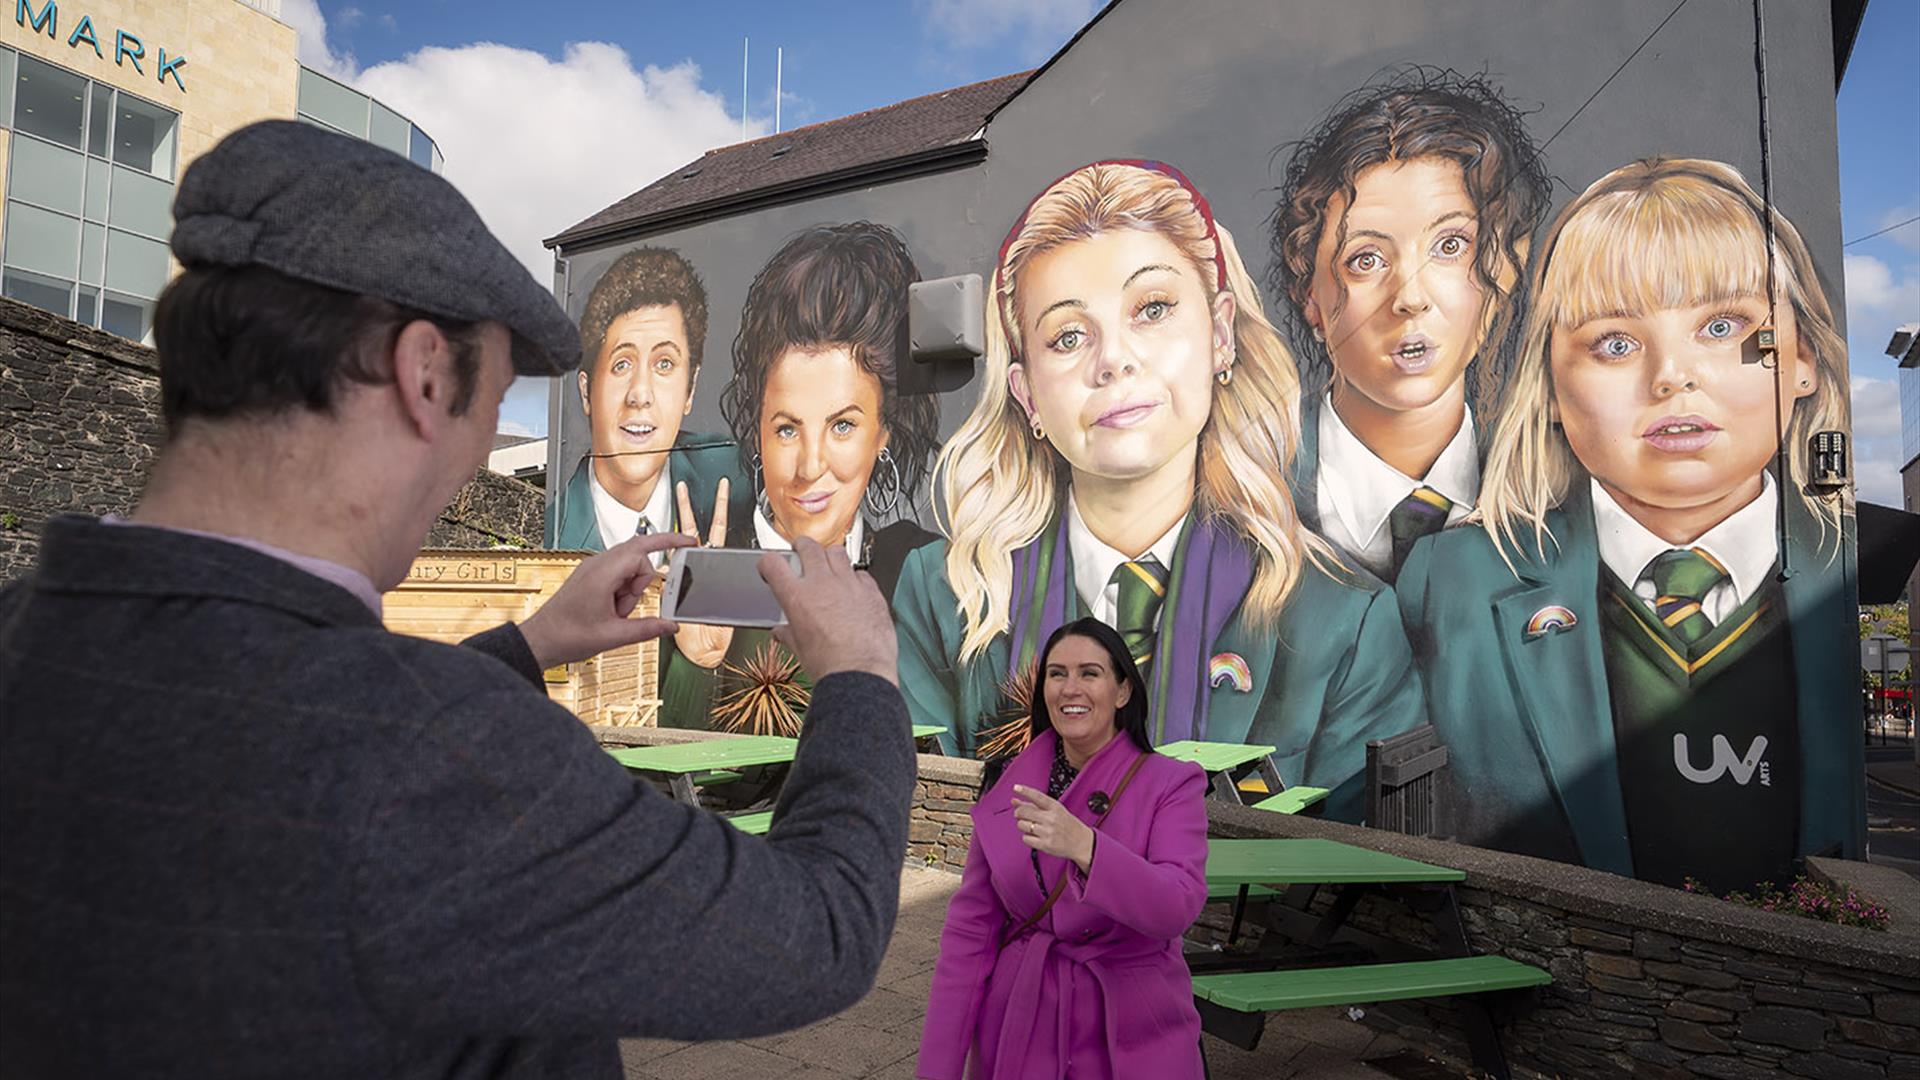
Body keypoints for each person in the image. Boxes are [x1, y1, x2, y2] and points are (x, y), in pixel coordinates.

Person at [0, 121, 916, 1078]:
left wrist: (532, 644)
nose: (485, 450)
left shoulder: (28, 633)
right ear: (425, 373)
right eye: (496, 402)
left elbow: (299, 730)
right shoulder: (440, 758)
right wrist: (857, 675)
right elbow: (821, 930)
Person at [891, 159, 1421, 820]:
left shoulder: (1344, 623)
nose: (1112, 359)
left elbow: (1345, 875)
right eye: (1068, 336)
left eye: (1153, 308)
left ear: (1220, 334)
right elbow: (927, 826)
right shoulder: (942, 595)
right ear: (1028, 395)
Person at [1397, 157, 1858, 892]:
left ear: (1802, 359)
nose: (1672, 375)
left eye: (1723, 325)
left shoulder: (1856, 568)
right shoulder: (1449, 581)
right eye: (1614, 342)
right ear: (1548, 387)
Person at [1269, 69, 1551, 582]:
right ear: (1309, 295)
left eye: (1450, 246)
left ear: (1506, 269)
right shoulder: (1242, 497)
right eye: (1366, 259)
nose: (1411, 298)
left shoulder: (1562, 493)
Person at [661, 222, 942, 730]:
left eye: (843, 426)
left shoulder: (919, 574)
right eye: (787, 429)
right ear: (758, 434)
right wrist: (696, 664)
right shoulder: (709, 578)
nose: (812, 467)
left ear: (883, 433)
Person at [917, 618, 1209, 1080]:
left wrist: (1087, 847)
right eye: (1057, 674)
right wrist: (938, 1068)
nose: (1070, 688)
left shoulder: (1172, 784)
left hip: (1131, 1029)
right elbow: (969, 936)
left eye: (1089, 673)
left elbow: (1177, 906)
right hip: (1021, 1023)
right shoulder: (1008, 784)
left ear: (1123, 691)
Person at [550, 245, 749, 556]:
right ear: (586, 392)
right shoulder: (554, 527)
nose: (640, 395)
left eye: (664, 364)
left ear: (690, 388)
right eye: (622, 364)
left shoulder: (738, 477)